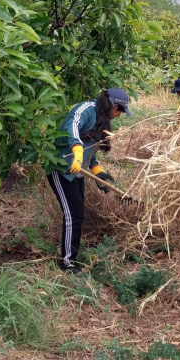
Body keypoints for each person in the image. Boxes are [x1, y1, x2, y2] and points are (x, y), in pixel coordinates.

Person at [49, 88, 132, 273]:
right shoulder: (86, 109)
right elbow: (70, 127)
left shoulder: (103, 122)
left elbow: (90, 150)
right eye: (119, 110)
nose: (119, 115)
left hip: (78, 172)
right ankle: (67, 262)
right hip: (62, 169)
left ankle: (71, 256)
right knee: (73, 215)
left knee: (77, 214)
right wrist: (76, 151)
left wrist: (98, 171)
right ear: (113, 105)